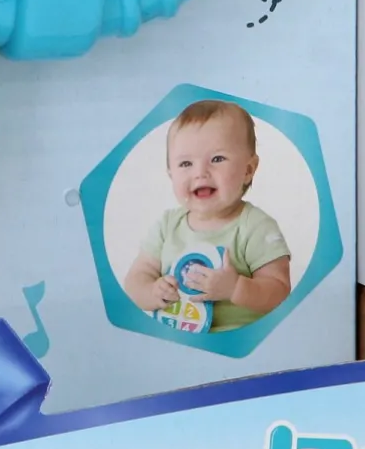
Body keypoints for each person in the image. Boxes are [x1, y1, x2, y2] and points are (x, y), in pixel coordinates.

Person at [122, 99, 292, 331]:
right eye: (186, 163)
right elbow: (135, 281)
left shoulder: (256, 227)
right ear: (171, 174)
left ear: (248, 170)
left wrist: (235, 288)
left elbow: (280, 293)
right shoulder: (167, 226)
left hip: (239, 340)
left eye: (217, 159)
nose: (200, 173)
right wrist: (152, 292)